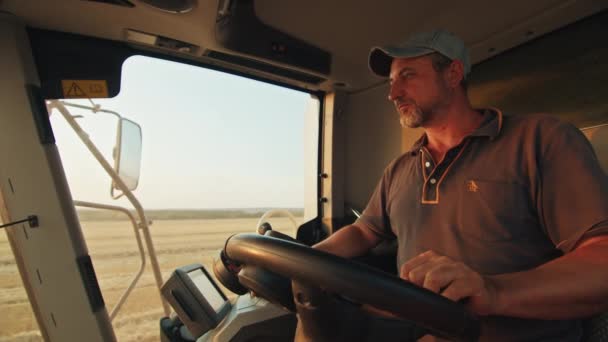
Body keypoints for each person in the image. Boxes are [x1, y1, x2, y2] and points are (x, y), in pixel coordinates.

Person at [313, 29, 608, 341]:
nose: (393, 93)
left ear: (453, 74)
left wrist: (493, 291)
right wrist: (305, 259)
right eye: (391, 82)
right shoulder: (400, 168)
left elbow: (601, 259)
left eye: (408, 75)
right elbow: (365, 231)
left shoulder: (541, 140)